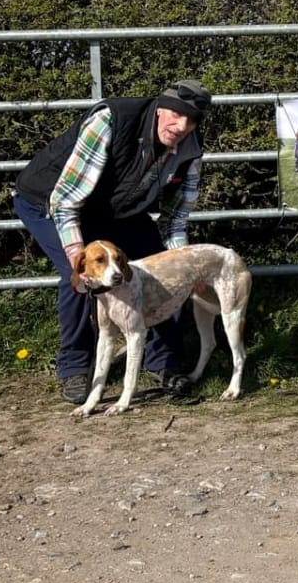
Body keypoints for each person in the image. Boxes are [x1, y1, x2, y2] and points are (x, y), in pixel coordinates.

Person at [14, 78, 212, 404]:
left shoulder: (190, 148)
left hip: (114, 207)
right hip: (49, 200)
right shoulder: (111, 120)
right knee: (81, 276)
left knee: (170, 271)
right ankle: (76, 367)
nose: (181, 126)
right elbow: (66, 202)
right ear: (160, 108)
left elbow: (175, 219)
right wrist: (78, 258)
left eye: (191, 121)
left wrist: (185, 266)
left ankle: (164, 364)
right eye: (176, 115)